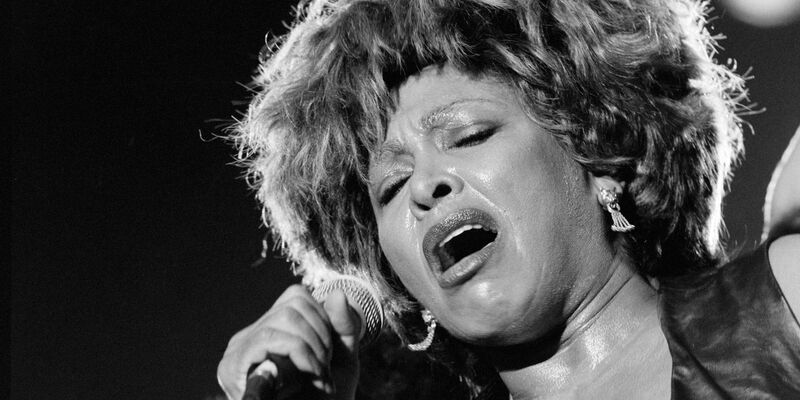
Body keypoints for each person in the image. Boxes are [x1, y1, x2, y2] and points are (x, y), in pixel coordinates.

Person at [217, 0, 800, 399]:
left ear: (601, 153)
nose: (423, 187)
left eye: (469, 137)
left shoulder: (780, 307)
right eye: (390, 187)